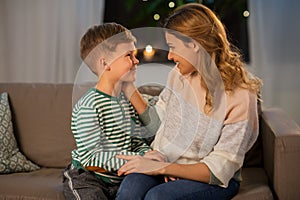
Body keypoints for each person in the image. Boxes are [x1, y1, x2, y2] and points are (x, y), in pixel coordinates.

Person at [116, 3, 263, 200]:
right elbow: (160, 122)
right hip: (166, 162)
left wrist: (165, 168)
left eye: (173, 47)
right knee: (129, 191)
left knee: (157, 198)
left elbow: (220, 169)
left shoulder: (240, 95)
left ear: (194, 44)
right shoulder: (178, 76)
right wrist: (157, 157)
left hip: (212, 179)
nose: (169, 55)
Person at [62, 23, 163, 200]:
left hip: (119, 177)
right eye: (128, 56)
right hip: (88, 176)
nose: (136, 60)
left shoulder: (125, 102)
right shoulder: (90, 106)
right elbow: (92, 157)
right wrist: (140, 157)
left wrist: (146, 152)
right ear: (105, 63)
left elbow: (136, 140)